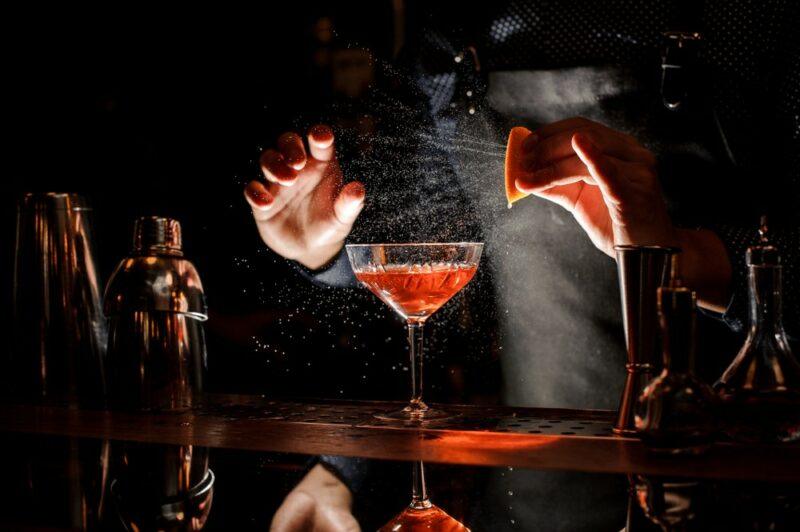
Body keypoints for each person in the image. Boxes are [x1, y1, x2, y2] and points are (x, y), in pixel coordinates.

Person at [247, 1, 800, 529]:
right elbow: (434, 259)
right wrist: (323, 250)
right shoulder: (453, 26)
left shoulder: (753, 17)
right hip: (538, 498)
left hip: (745, 481)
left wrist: (681, 252)